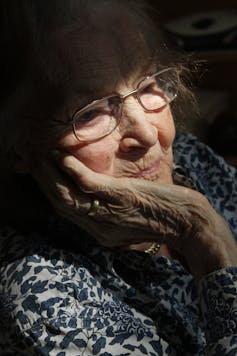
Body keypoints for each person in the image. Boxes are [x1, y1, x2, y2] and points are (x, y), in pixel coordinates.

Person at [0, 1, 236, 355]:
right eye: (92, 111)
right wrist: (204, 237)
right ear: (19, 147)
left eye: (148, 85)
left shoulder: (190, 159)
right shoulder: (42, 295)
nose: (146, 134)